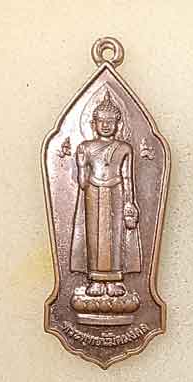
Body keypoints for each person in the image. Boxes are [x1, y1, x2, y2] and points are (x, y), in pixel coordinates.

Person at [70, 89, 141, 298]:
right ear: (94, 124)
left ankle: (114, 280)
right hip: (92, 191)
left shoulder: (124, 148)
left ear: (118, 123)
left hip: (116, 190)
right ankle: (95, 280)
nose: (106, 125)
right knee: (94, 234)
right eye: (102, 121)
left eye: (110, 121)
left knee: (114, 234)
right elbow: (82, 183)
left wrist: (130, 202)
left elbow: (128, 177)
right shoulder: (86, 147)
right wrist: (81, 165)